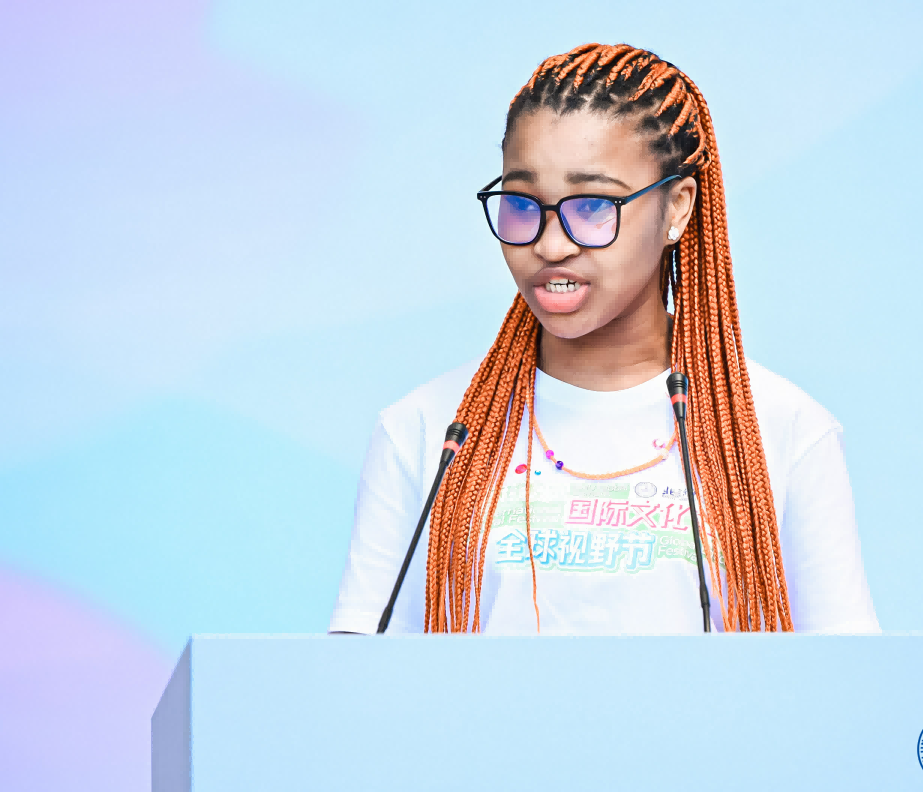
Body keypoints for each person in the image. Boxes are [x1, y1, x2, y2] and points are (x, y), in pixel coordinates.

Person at [329, 44, 878, 635]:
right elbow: (361, 678)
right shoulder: (426, 431)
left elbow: (841, 677)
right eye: (522, 204)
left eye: (593, 205)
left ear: (676, 208)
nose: (550, 244)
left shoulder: (783, 432)